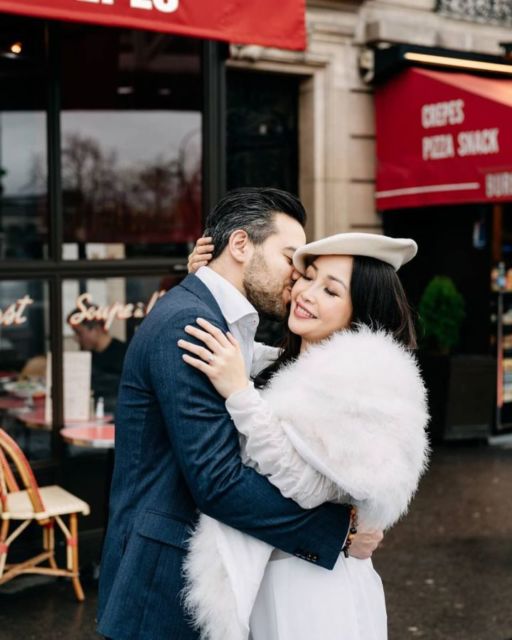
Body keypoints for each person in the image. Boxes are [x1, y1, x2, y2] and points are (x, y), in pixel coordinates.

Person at [96, 188, 382, 640]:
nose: (296, 278)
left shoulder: (222, 322)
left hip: (205, 579)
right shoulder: (189, 323)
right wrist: (337, 534)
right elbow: (218, 482)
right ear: (242, 245)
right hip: (161, 585)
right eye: (291, 258)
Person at [180, 232, 429, 640]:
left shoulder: (360, 383)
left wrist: (240, 394)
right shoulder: (291, 364)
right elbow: (243, 349)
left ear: (360, 311)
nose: (306, 293)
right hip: (278, 572)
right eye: (307, 277)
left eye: (330, 290)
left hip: (316, 589)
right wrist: (210, 283)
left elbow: (305, 484)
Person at [66, 310, 127, 412]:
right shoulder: (86, 356)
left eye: (79, 333)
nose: (76, 338)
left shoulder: (124, 354)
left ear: (95, 329)